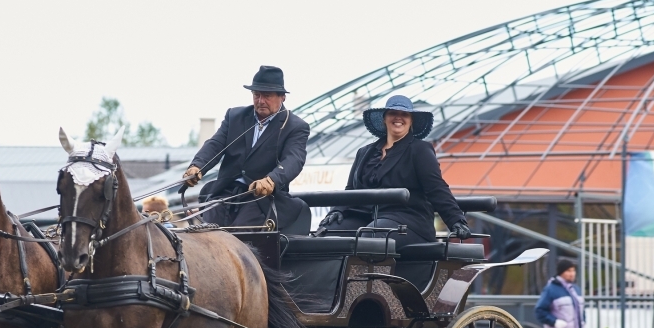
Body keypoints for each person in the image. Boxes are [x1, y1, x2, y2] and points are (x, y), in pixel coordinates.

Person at [318, 95, 471, 245]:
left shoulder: (420, 149)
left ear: (411, 121)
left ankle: (363, 271)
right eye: (393, 113)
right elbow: (351, 189)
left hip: (406, 219)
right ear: (384, 118)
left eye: (404, 114)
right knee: (329, 231)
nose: (398, 117)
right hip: (365, 216)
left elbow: (436, 187)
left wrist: (456, 220)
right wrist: (337, 210)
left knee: (372, 234)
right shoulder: (364, 152)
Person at [182, 65, 310, 230]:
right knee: (207, 234)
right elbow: (215, 144)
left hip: (261, 198)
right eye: (256, 95)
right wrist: (197, 166)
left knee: (240, 235)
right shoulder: (234, 116)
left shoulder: (295, 126)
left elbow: (294, 159)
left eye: (267, 96)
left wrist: (272, 180)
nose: (260, 101)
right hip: (224, 192)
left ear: (282, 97)